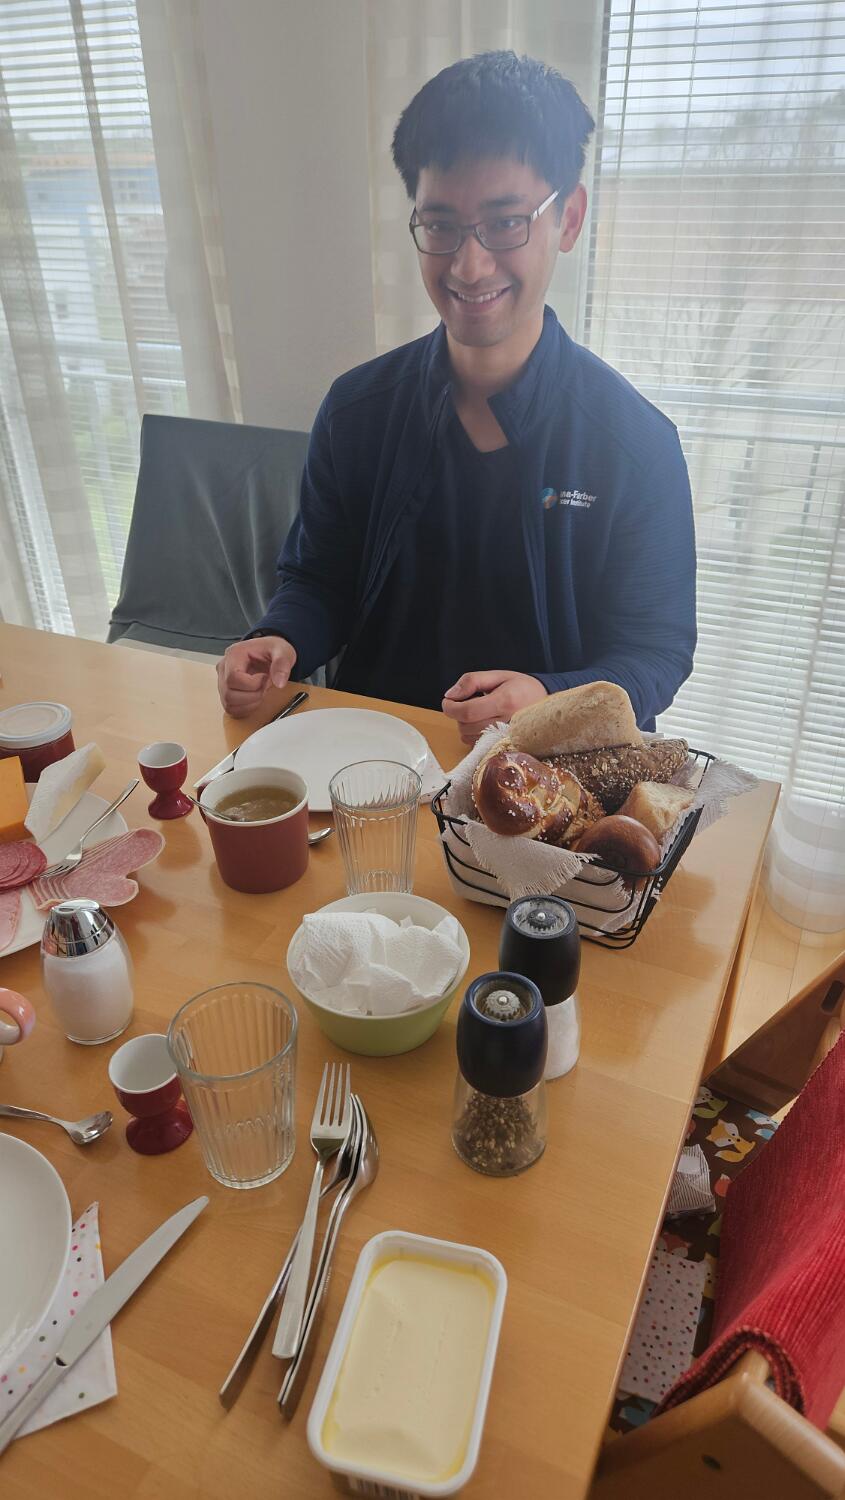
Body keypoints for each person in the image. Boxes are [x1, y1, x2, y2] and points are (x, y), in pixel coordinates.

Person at [217, 52, 696, 743]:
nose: (469, 266)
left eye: (506, 222)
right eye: (440, 226)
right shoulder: (356, 412)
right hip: (373, 756)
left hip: (549, 766)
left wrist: (544, 696)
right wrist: (279, 638)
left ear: (568, 219)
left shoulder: (633, 443)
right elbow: (318, 579)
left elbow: (655, 652)